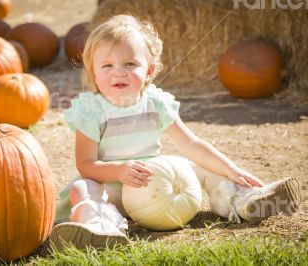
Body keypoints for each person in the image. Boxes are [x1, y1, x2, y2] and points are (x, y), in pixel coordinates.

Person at [49, 15, 301, 251]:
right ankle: (99, 224)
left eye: (130, 63)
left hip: (156, 182)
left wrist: (230, 169)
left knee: (202, 167)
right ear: (93, 72)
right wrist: (118, 171)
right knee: (84, 186)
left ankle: (243, 198)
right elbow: (86, 164)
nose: (119, 72)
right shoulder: (91, 110)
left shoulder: (156, 102)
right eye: (107, 65)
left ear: (149, 70)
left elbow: (191, 144)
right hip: (113, 189)